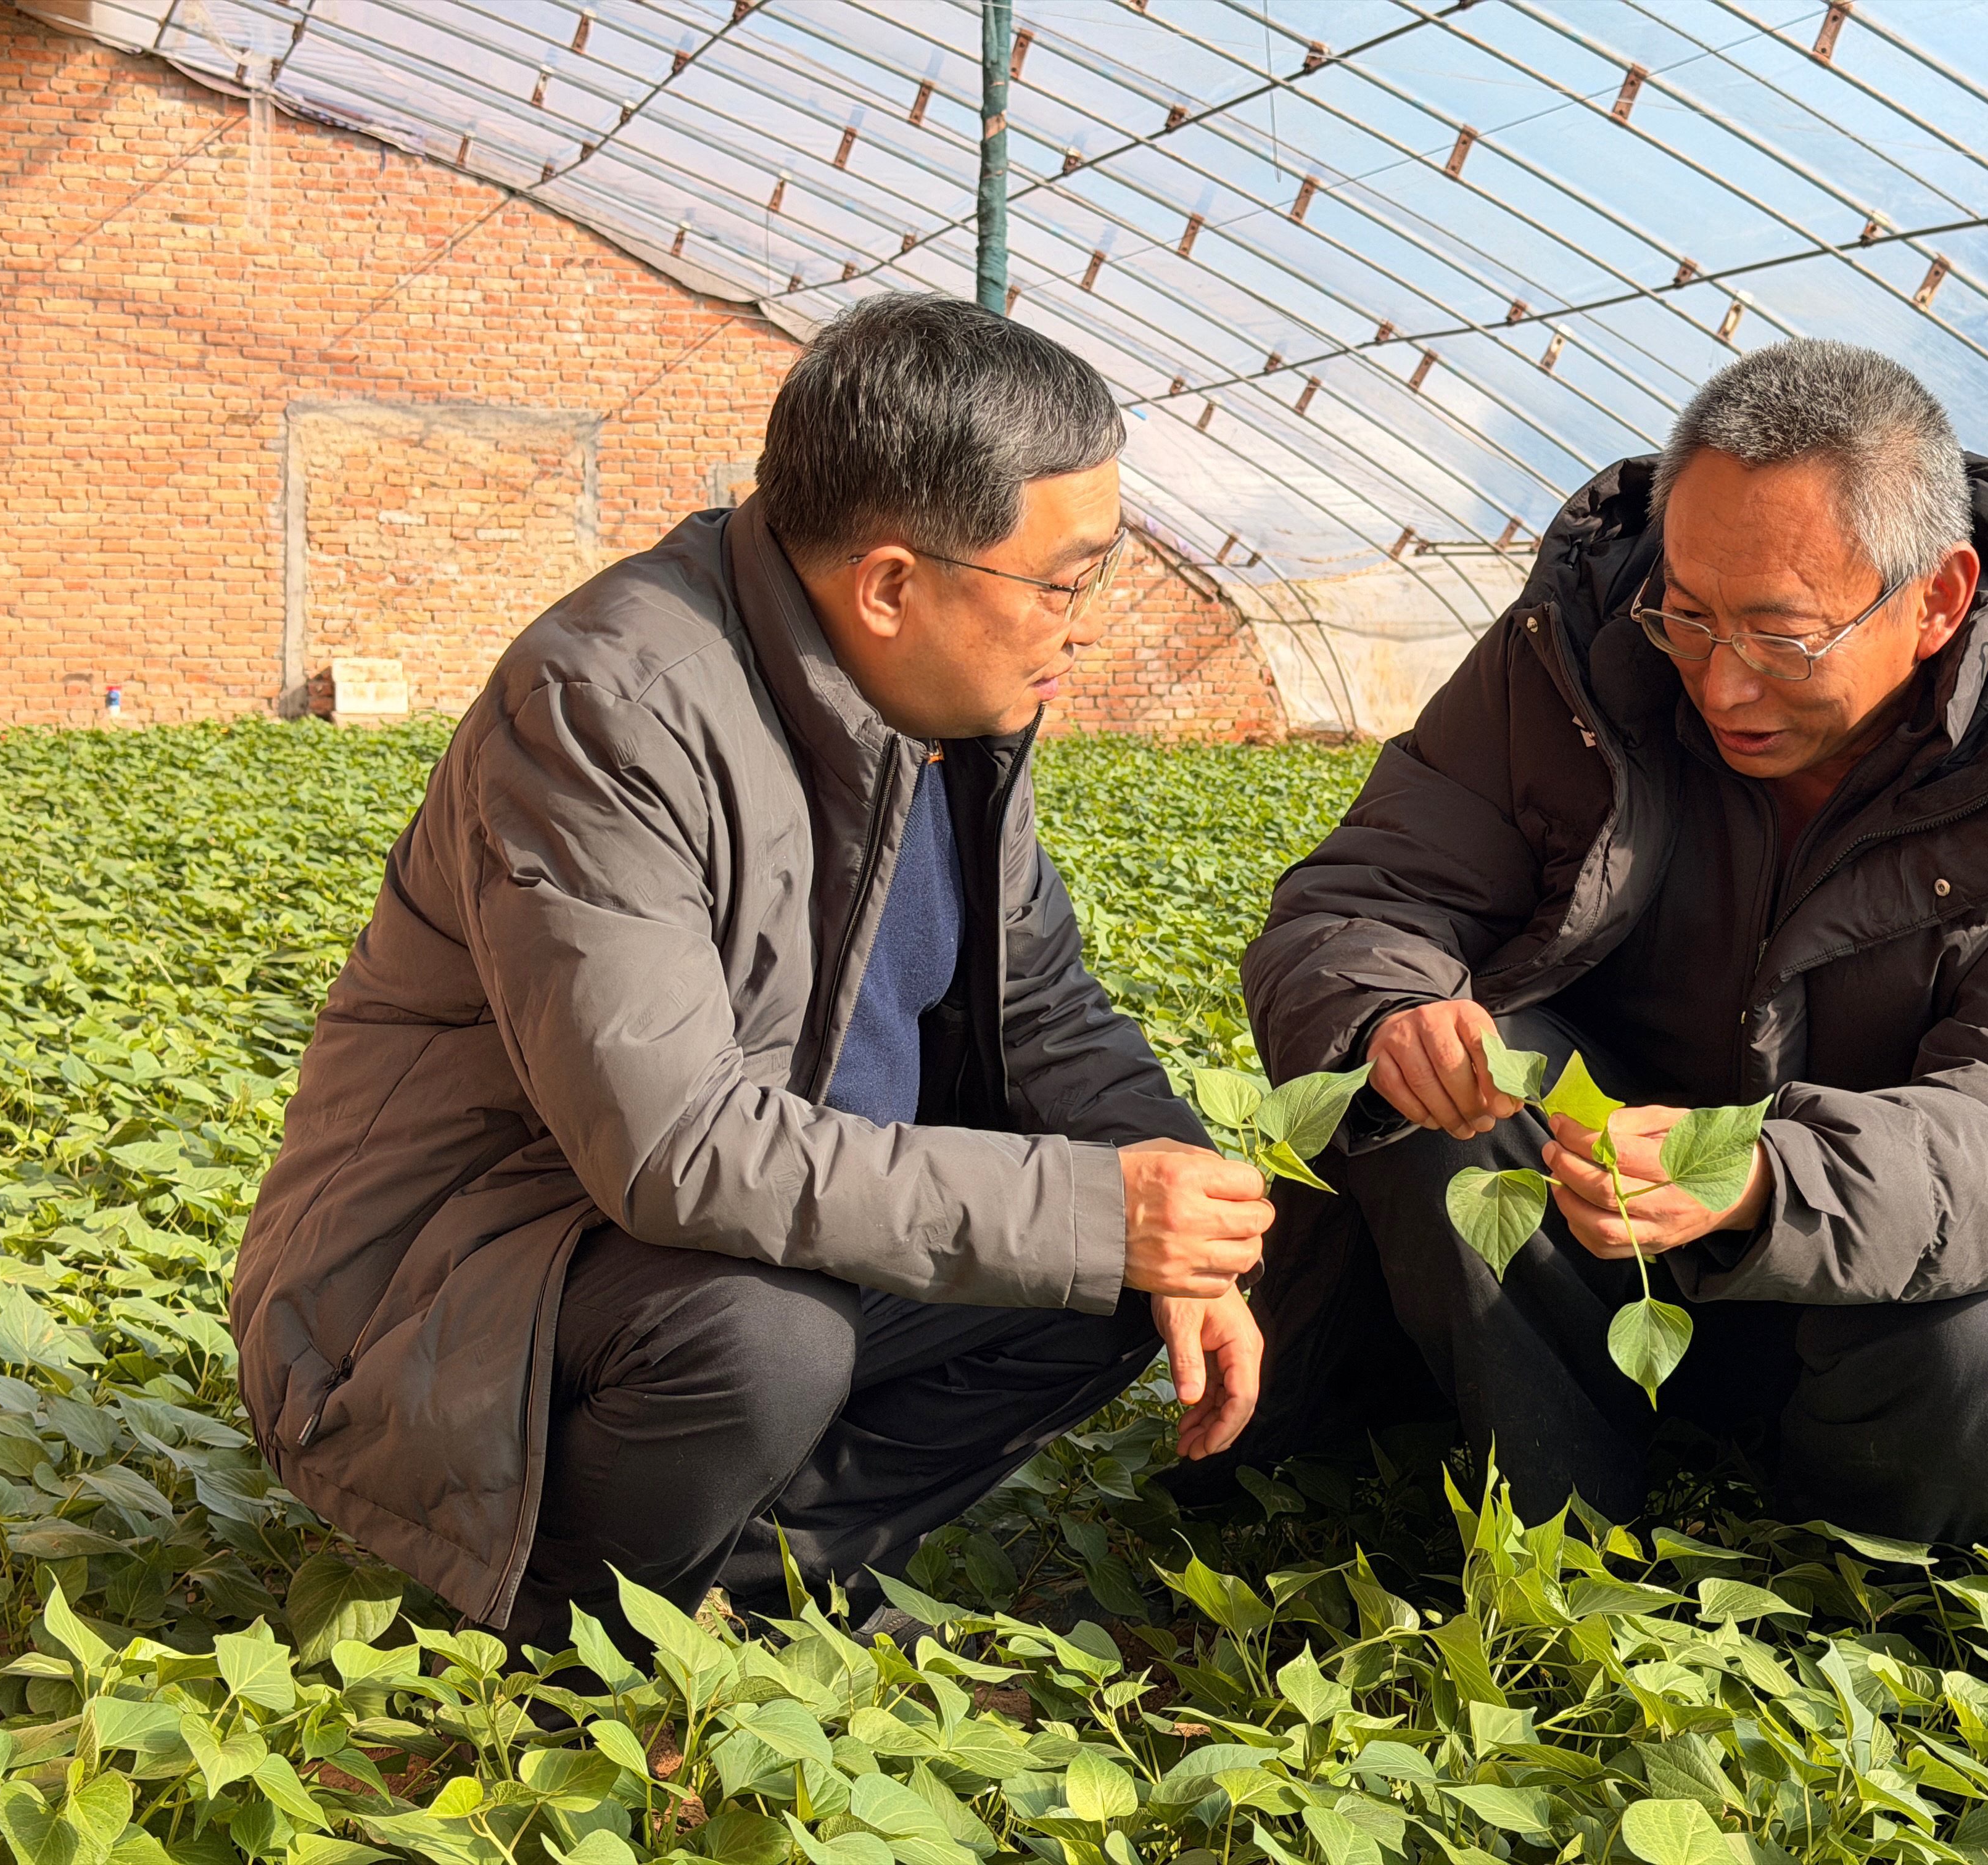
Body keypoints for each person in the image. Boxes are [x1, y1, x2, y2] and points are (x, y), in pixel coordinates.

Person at [231, 294, 1274, 1650]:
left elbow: (1044, 1008)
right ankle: (581, 1637)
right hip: (443, 1290)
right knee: (768, 1339)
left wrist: (1179, 1215)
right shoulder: (608, 710)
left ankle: (754, 1600)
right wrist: (1096, 1210)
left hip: (726, 1241)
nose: (1083, 628)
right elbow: (676, 1151)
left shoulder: (948, 709)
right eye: (1062, 584)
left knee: (1110, 1264)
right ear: (891, 587)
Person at [1210, 338, 1988, 1672]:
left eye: (1781, 633)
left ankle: (1828, 1554)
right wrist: (1389, 1011)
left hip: (1864, 1273)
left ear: (1938, 601)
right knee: (1445, 1106)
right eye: (1688, 614)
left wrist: (1765, 1182)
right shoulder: (1574, 654)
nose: (1722, 683)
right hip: (1581, 1236)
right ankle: (1555, 1538)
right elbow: (1366, 896)